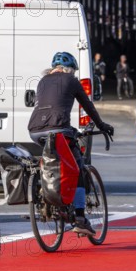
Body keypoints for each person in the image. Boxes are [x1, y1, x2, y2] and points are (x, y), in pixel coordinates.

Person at [28, 51, 114, 236]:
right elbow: (87, 106)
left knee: (52, 160)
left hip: (35, 130)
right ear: (70, 70)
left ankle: (49, 200)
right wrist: (102, 125)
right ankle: (81, 219)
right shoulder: (71, 80)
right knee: (78, 168)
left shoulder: (42, 81)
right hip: (58, 129)